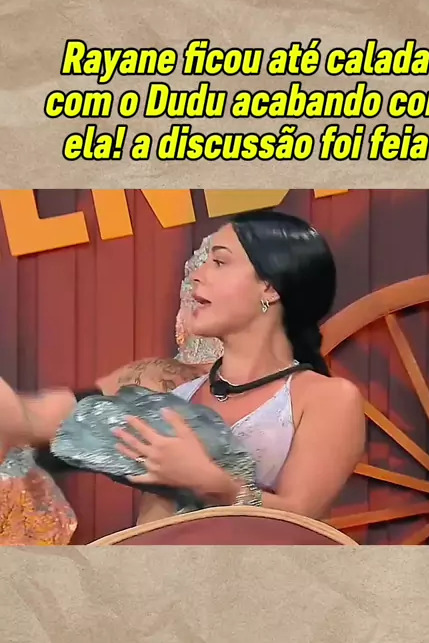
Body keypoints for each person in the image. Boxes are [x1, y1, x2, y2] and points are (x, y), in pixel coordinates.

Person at [0, 210, 365, 529]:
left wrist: (210, 482)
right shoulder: (168, 386)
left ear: (269, 287)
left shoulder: (327, 398)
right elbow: (42, 417)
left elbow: (301, 520)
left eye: (219, 262)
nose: (197, 275)